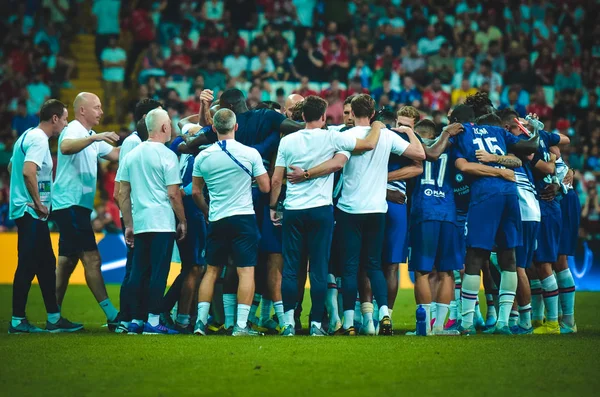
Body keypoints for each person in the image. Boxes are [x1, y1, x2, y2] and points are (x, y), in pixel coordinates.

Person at [289, 94, 426, 336]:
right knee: (374, 265)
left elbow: (336, 164)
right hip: (377, 209)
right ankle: (384, 315)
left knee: (351, 268)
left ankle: (350, 323)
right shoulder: (386, 135)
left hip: (350, 209)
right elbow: (420, 155)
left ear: (352, 114)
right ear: (373, 114)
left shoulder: (344, 136)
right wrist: (409, 131)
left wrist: (307, 174)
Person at [270, 96, 382, 336]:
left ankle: (288, 323)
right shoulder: (332, 135)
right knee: (319, 268)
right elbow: (366, 146)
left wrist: (273, 206)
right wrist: (377, 127)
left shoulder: (288, 140)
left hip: (293, 209)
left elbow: (277, 178)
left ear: (301, 117)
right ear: (323, 117)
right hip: (321, 210)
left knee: (291, 267)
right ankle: (316, 325)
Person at [451, 103, 540, 335]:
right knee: (508, 256)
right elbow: (528, 148)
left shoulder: (462, 133)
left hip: (484, 194)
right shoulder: (500, 132)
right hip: (510, 194)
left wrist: (491, 165)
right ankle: (503, 323)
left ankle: (468, 323)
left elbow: (463, 166)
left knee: (475, 256)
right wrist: (536, 129)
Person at [191, 109, 270, 336]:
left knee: (212, 271)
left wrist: (207, 211)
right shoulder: (250, 153)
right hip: (243, 217)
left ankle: (200, 323)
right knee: (246, 272)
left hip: (217, 218)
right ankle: (241, 326)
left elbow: (196, 192)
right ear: (236, 127)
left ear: (214, 128)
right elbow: (265, 187)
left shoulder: (203, 156)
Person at [8, 99, 82, 334]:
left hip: (29, 212)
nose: (66, 123)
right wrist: (38, 203)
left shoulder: (26, 136)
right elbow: (27, 170)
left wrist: (23, 192)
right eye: (65, 118)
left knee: (46, 264)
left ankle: (53, 317)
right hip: (31, 212)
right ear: (54, 119)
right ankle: (18, 321)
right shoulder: (40, 139)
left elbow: (12, 168)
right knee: (28, 265)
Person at [52, 92, 121, 330]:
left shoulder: (91, 135)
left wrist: (143, 143)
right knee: (92, 258)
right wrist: (95, 139)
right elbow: (65, 146)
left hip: (74, 206)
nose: (101, 112)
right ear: (82, 110)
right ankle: (113, 316)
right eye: (97, 107)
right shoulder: (73, 129)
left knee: (67, 261)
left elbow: (116, 154)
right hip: (69, 204)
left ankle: (53, 317)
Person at [118, 108, 187, 335]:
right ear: (165, 127)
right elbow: (173, 194)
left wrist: (128, 224)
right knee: (158, 272)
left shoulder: (131, 155)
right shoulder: (167, 155)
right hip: (162, 223)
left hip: (140, 223)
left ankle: (136, 319)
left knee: (138, 271)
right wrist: (183, 221)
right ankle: (154, 321)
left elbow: (121, 194)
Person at [112, 98, 162, 333]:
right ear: (145, 118)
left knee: (142, 267)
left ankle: (135, 316)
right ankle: (126, 317)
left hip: (140, 213)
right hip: (135, 214)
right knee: (135, 267)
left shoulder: (142, 142)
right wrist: (128, 220)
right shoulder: (133, 143)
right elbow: (121, 186)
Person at [529, 120, 570, 335]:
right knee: (537, 263)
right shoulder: (542, 138)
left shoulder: (530, 145)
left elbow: (548, 166)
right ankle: (539, 318)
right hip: (546, 205)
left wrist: (555, 161)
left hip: (545, 206)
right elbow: (563, 140)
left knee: (547, 262)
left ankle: (554, 322)